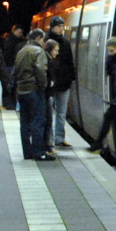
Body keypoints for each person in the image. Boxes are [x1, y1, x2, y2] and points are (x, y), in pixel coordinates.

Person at [13, 29, 53, 161]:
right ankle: (39, 152)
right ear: (39, 38)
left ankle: (27, 152)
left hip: (22, 91)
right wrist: (44, 86)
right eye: (43, 39)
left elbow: (15, 71)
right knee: (38, 121)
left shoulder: (21, 51)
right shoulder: (38, 51)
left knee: (24, 122)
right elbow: (41, 70)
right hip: (34, 90)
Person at [46, 17, 76, 148]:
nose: (61, 29)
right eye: (58, 26)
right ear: (52, 27)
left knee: (61, 113)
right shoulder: (47, 41)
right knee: (49, 113)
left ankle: (59, 138)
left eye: (62, 26)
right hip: (51, 84)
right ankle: (50, 139)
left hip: (64, 83)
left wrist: (70, 78)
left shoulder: (64, 41)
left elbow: (70, 61)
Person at [89, 37, 116, 153]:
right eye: (109, 51)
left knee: (108, 116)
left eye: (112, 51)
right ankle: (102, 142)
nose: (110, 53)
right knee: (109, 117)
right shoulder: (113, 59)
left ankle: (99, 142)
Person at [0, 25, 25, 109]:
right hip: (10, 65)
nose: (20, 34)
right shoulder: (11, 41)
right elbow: (8, 54)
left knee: (11, 85)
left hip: (11, 65)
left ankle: (10, 103)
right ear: (15, 30)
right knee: (10, 85)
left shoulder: (11, 39)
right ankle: (9, 103)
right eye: (19, 32)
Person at [43, 39, 60, 152]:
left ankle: (47, 144)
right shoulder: (47, 60)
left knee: (48, 120)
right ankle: (46, 146)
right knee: (47, 120)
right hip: (46, 94)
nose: (57, 53)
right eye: (55, 50)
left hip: (48, 93)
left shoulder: (50, 60)